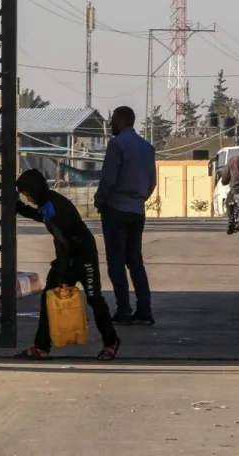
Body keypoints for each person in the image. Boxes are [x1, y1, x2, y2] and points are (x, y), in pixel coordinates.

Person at [15, 168, 119, 361]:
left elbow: (65, 242)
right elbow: (41, 217)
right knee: (49, 297)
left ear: (35, 190)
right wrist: (19, 208)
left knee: (94, 298)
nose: (28, 199)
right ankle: (41, 347)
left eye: (27, 195)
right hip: (66, 256)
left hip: (82, 255)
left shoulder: (55, 206)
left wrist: (63, 277)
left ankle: (111, 342)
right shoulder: (47, 202)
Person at [94, 106, 157, 326]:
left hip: (116, 209)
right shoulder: (147, 147)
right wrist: (138, 199)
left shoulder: (117, 144)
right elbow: (151, 183)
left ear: (121, 120)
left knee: (116, 262)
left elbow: (109, 178)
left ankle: (124, 310)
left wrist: (100, 200)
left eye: (113, 119)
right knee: (135, 261)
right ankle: (145, 310)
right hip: (137, 210)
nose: (111, 123)